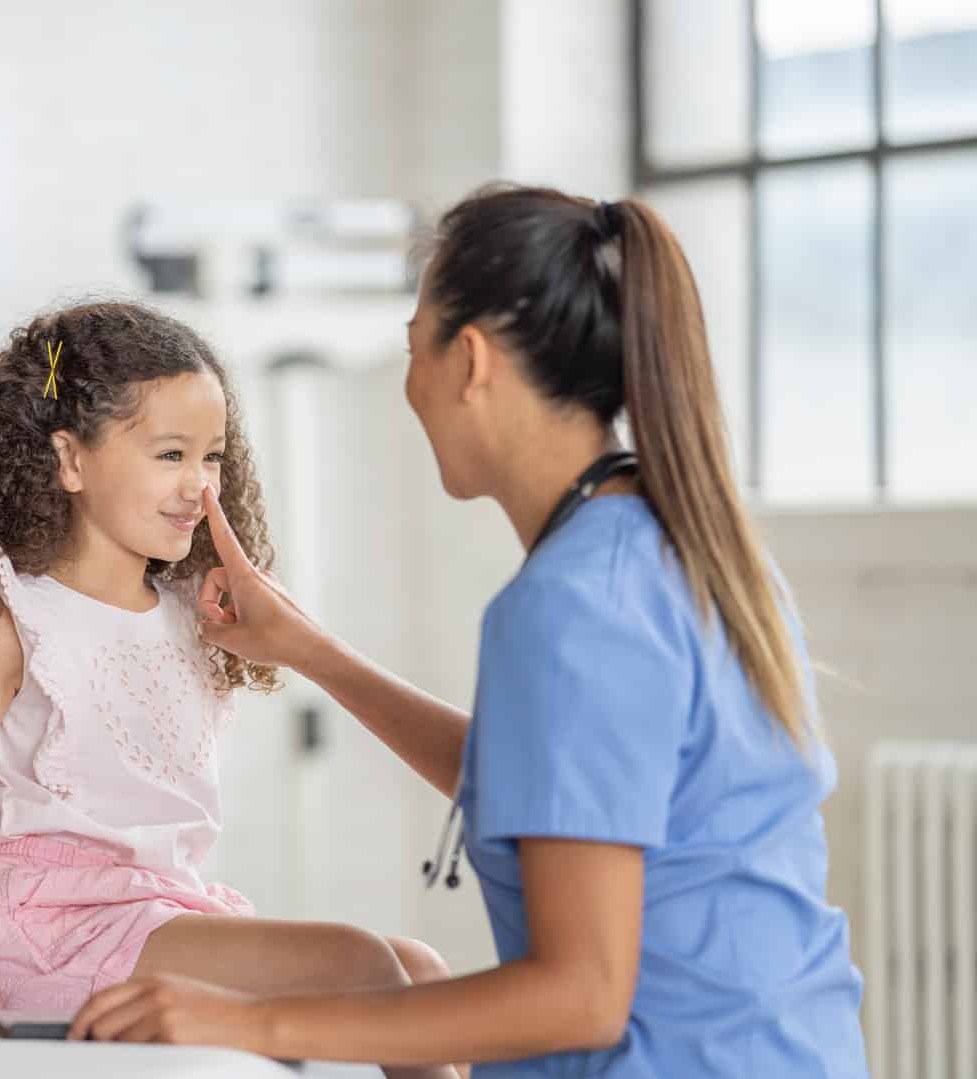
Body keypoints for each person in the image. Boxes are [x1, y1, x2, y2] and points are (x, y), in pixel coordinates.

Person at [69, 186, 869, 1077]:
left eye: (415, 349)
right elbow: (552, 784)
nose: (412, 386)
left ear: (471, 363)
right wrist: (307, 648)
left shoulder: (575, 606)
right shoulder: (684, 546)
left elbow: (582, 991)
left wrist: (253, 1021)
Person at [0, 301, 459, 1079]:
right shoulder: (10, 620)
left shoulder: (195, 614)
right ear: (71, 461)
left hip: (156, 913)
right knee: (361, 964)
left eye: (212, 457)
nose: (199, 486)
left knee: (418, 967)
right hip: (39, 924)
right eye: (170, 454)